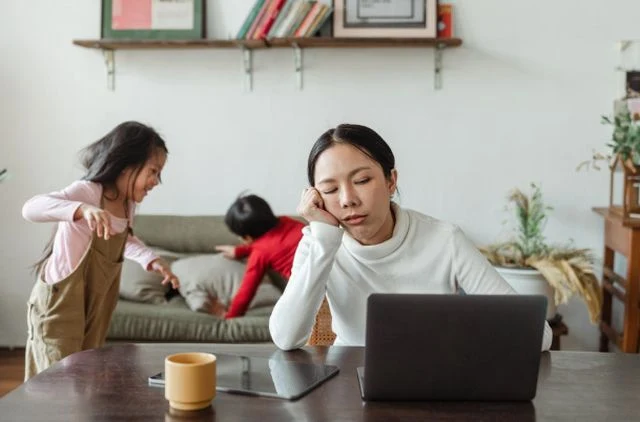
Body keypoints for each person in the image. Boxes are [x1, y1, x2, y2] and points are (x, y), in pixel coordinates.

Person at [269, 123, 552, 351]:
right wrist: (324, 238)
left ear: (391, 181)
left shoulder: (444, 240)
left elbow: (538, 335)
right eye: (330, 190)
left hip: (432, 381)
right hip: (348, 384)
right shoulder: (319, 242)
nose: (347, 200)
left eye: (362, 181)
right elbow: (285, 338)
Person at [22, 121, 180, 379]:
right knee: (57, 379)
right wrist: (81, 209)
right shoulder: (88, 192)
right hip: (60, 304)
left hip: (95, 305)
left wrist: (152, 260)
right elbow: (30, 209)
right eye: (153, 171)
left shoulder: (127, 205)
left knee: (85, 375)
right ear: (126, 166)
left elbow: (123, 239)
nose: (156, 182)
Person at [213, 194, 305, 319]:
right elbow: (275, 243)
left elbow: (246, 292)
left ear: (247, 237)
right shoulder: (287, 221)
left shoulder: (259, 254)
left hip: (308, 290)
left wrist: (230, 316)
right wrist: (239, 251)